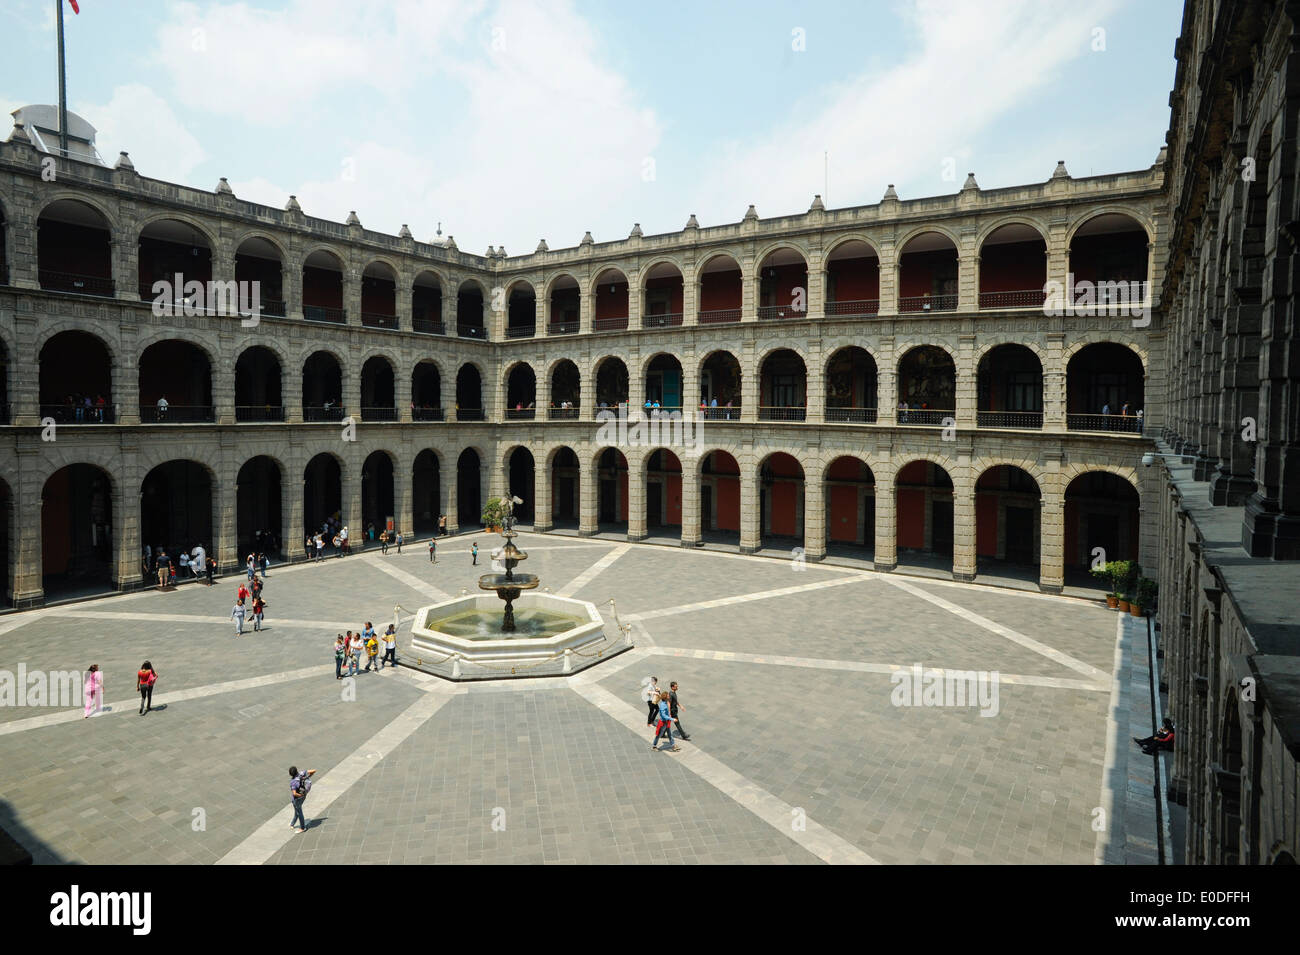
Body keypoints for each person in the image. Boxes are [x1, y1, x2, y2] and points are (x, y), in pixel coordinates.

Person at [288, 766, 316, 833]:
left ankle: (302, 828)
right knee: (297, 810)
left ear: (290, 774)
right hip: (304, 795)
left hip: (297, 799)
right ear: (296, 771)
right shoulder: (301, 773)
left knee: (299, 812)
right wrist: (308, 776)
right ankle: (292, 823)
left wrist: (300, 795)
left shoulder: (293, 782)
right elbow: (314, 770)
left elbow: (294, 793)